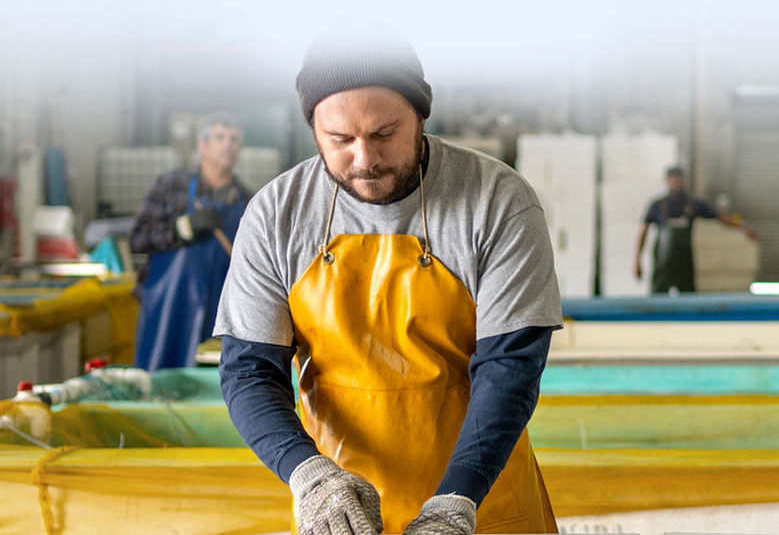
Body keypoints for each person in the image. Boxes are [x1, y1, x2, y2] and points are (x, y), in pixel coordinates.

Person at [214, 39, 560, 535]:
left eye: (384, 133)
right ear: (312, 127)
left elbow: (510, 368)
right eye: (340, 139)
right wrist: (311, 478)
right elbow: (249, 371)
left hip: (484, 502)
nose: (365, 159)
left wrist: (457, 500)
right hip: (340, 512)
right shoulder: (276, 215)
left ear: (419, 114)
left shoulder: (497, 202)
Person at [130, 113, 249, 371]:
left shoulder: (248, 201)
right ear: (202, 145)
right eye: (219, 137)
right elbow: (138, 238)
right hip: (169, 310)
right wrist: (183, 228)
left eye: (234, 139)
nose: (227, 144)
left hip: (221, 314)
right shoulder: (171, 186)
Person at [634, 166, 759, 293]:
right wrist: (637, 262)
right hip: (663, 266)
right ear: (666, 181)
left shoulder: (693, 203)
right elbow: (643, 232)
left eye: (679, 178)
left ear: (683, 180)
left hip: (685, 265)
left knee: (687, 300)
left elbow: (720, 217)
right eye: (672, 178)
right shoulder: (657, 205)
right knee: (658, 302)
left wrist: (743, 227)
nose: (676, 182)